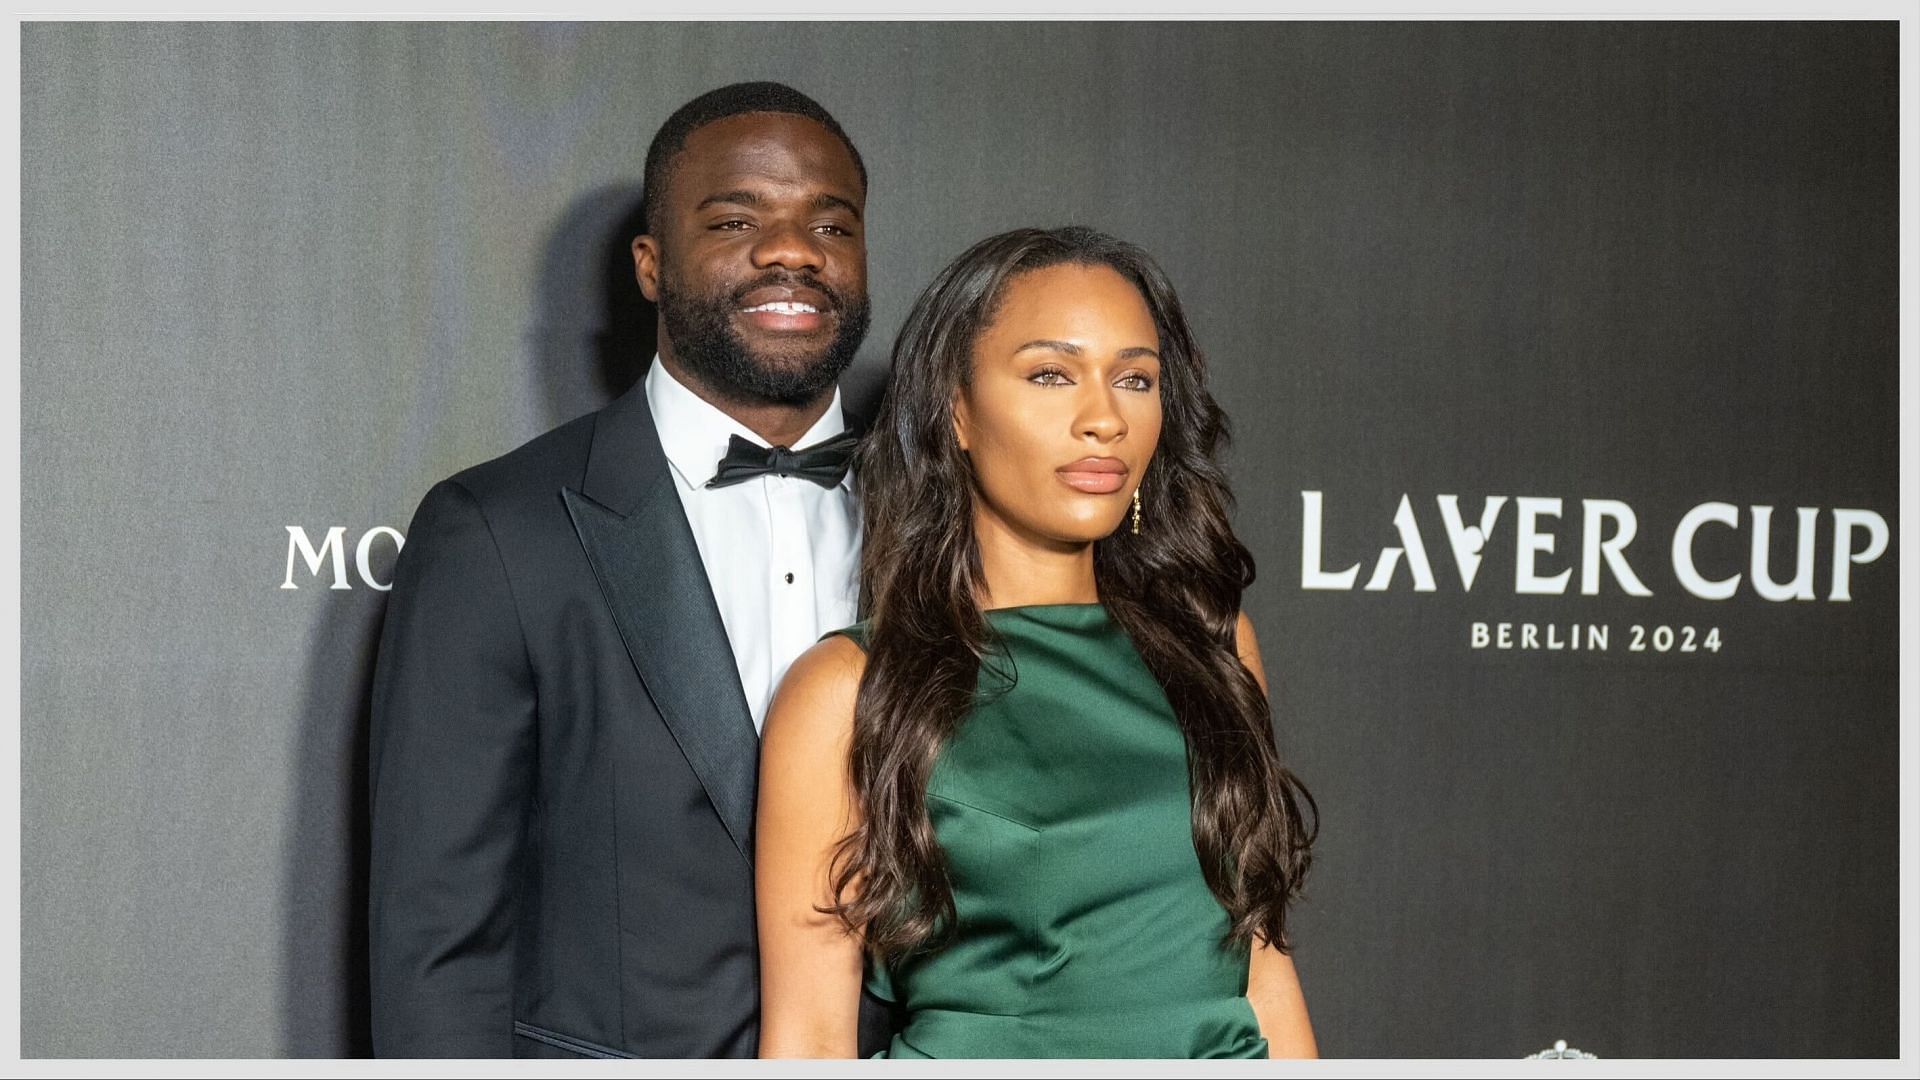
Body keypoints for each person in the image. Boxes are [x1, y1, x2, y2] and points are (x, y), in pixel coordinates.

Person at [367, 81, 897, 1057]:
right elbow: (437, 946)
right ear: (651, 266)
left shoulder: (944, 528)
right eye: (738, 219)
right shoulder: (495, 531)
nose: (792, 251)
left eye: (832, 223)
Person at [755, 226, 1320, 1058]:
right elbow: (807, 1036)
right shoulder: (846, 688)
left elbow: (1262, 968)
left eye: (1136, 379)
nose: (1103, 419)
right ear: (956, 410)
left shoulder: (1213, 643)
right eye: (1052, 375)